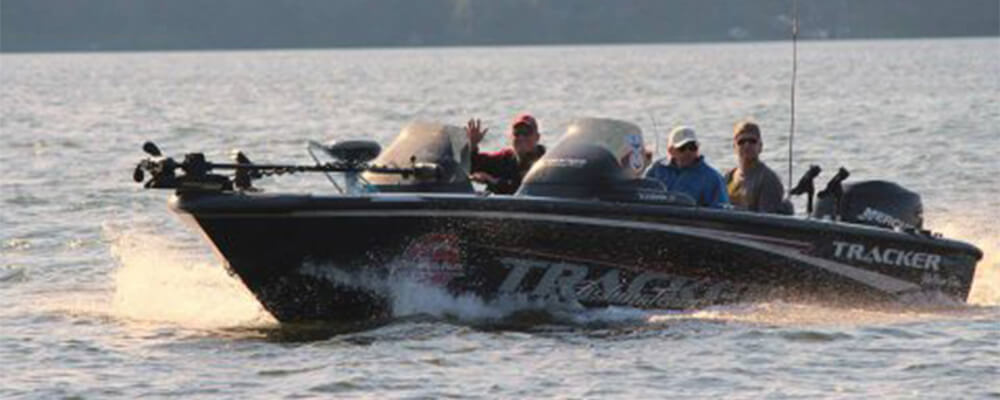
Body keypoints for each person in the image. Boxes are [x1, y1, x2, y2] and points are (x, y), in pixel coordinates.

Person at [644, 126, 729, 208]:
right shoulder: (657, 170)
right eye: (682, 148)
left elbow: (721, 210)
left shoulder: (713, 178)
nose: (688, 152)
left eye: (692, 147)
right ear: (670, 151)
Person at [465, 113, 546, 194]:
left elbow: (522, 188)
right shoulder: (505, 158)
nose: (521, 137)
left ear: (537, 137)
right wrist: (473, 145)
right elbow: (473, 166)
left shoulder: (545, 164)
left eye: (526, 133)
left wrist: (493, 181)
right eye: (517, 133)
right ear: (511, 137)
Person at [724, 120, 790, 214]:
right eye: (741, 142)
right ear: (734, 147)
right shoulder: (729, 177)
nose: (747, 145)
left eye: (752, 141)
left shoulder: (768, 179)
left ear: (760, 146)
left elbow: (767, 218)